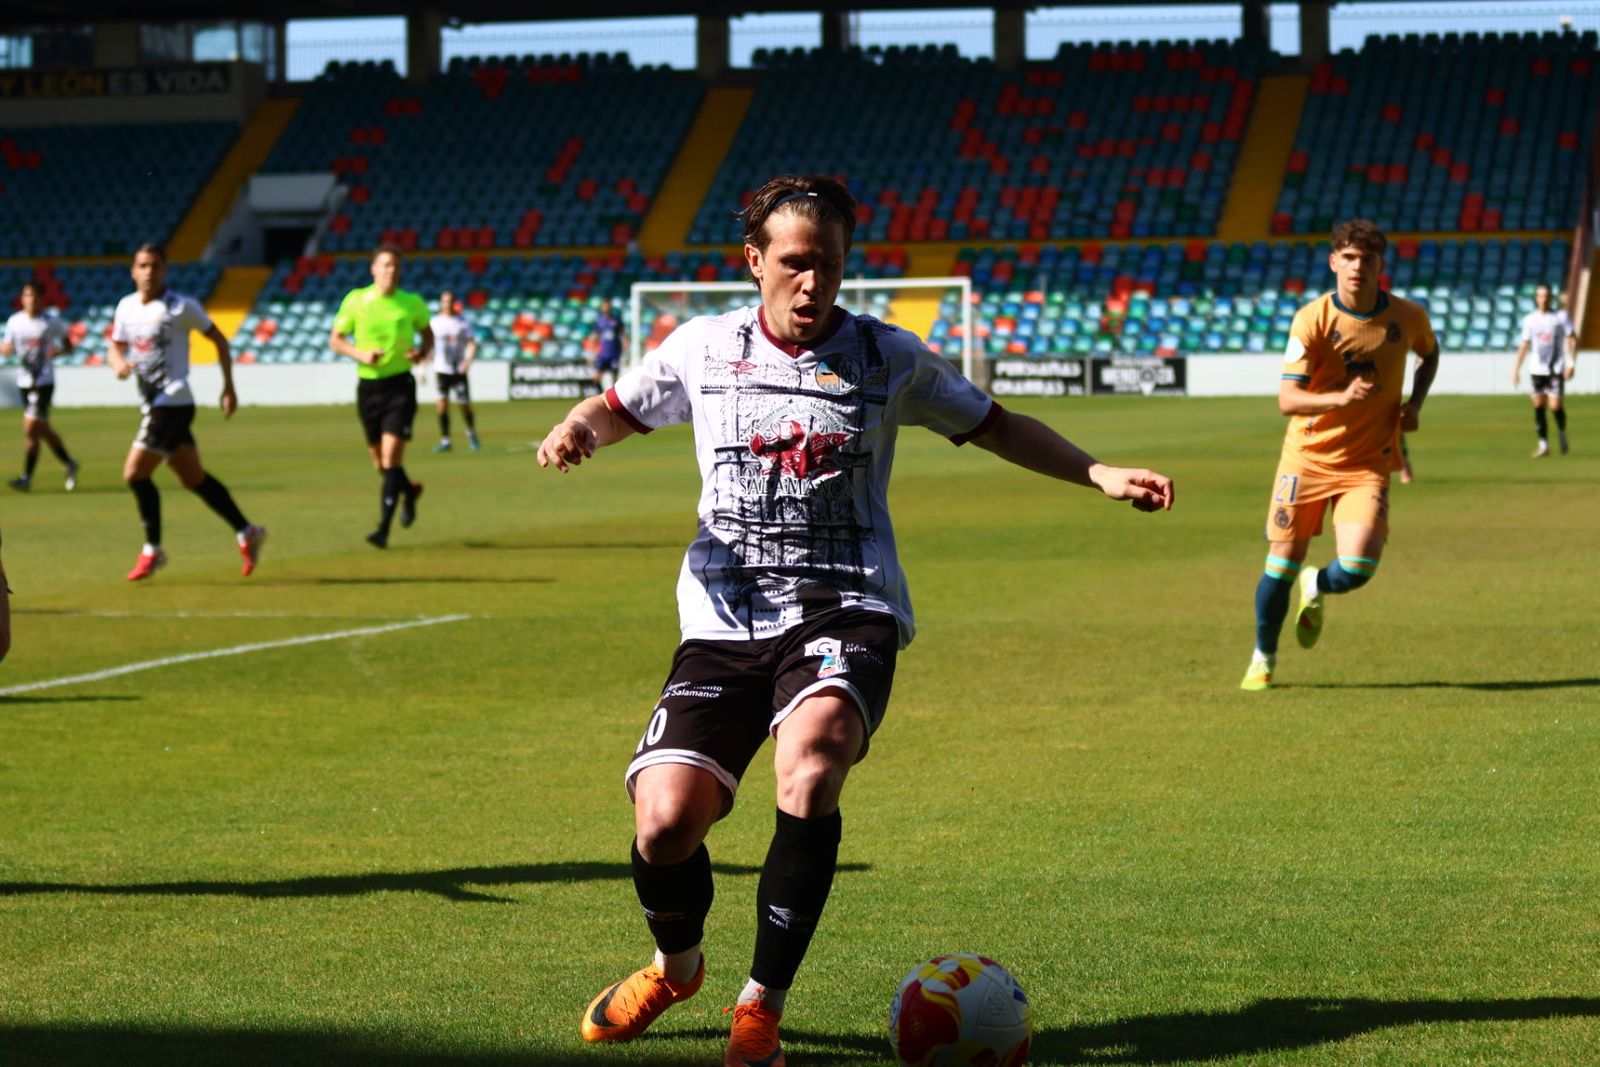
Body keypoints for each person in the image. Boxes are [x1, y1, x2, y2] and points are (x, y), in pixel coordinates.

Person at [539, 174, 1174, 1067]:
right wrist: (576, 428)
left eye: (828, 266)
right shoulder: (702, 346)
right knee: (665, 822)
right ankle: (677, 966)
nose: (812, 284)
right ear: (754, 261)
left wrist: (1099, 471)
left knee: (815, 756)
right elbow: (616, 410)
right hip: (724, 617)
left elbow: (994, 425)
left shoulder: (888, 356)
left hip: (848, 604)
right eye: (794, 264)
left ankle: (760, 1003)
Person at [1242, 219, 1439, 691]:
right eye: (1348, 257)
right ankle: (1263, 656)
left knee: (1357, 568)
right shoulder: (1312, 319)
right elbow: (1288, 401)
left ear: (1380, 266)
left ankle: (1320, 585)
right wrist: (1339, 399)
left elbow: (1428, 354)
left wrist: (1415, 403)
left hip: (1367, 464)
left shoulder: (1408, 317)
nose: (1357, 267)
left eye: (1367, 259)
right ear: (1334, 262)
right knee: (1281, 564)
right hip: (1306, 459)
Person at [108, 244, 266, 581]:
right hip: (153, 403)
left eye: (155, 265)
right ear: (133, 271)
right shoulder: (125, 307)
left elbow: (219, 339)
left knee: (135, 474)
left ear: (164, 270)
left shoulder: (181, 307)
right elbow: (115, 346)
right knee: (193, 477)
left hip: (173, 402)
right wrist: (119, 363)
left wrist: (229, 386)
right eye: (142, 265)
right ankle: (246, 530)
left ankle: (153, 549)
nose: (149, 271)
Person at [330, 244, 433, 548]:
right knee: (380, 464)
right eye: (386, 265)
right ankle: (409, 492)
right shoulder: (356, 300)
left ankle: (382, 530)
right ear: (373, 269)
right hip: (368, 388)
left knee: (390, 458)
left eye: (396, 266)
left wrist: (421, 353)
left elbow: (427, 334)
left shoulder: (411, 303)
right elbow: (335, 340)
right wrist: (360, 354)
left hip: (400, 386)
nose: (391, 271)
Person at [2, 281, 81, 492]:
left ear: (41, 299)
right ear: (22, 298)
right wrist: (6, 348)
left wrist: (59, 352)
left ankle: (26, 477)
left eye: (35, 296)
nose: (31, 300)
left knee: (30, 427)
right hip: (24, 381)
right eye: (27, 295)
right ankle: (69, 463)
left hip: (44, 381)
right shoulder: (15, 321)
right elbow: (6, 345)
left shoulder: (51, 321)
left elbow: (68, 345)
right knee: (40, 431)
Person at [1510, 283, 1577, 458]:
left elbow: (1572, 339)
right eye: (1540, 296)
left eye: (1546, 295)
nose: (1543, 299)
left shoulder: (1560, 317)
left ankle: (1562, 433)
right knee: (1539, 405)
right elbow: (1524, 344)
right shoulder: (1530, 320)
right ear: (1536, 298)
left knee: (1555, 406)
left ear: (1551, 298)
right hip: (1537, 370)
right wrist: (1516, 369)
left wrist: (1571, 363)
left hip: (1555, 369)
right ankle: (1543, 445)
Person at [429, 290, 479, 453]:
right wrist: (422, 367)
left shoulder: (462, 322)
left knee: (464, 405)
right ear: (441, 303)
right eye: (444, 301)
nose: (447, 304)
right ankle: (445, 440)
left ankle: (471, 433)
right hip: (442, 369)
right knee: (442, 406)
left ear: (454, 302)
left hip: (458, 370)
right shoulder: (434, 322)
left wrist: (467, 361)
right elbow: (429, 344)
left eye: (450, 300)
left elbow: (472, 343)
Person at [590, 297, 623, 391]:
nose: (606, 308)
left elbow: (622, 334)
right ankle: (596, 393)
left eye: (608, 306)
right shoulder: (599, 321)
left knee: (615, 376)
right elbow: (595, 336)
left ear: (610, 307)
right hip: (603, 353)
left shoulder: (616, 320)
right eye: (604, 306)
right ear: (601, 308)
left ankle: (614, 398)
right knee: (597, 375)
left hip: (615, 352)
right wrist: (592, 352)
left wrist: (624, 346)